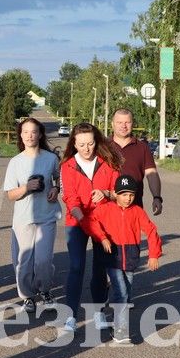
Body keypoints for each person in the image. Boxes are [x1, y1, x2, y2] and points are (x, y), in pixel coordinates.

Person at [59, 122, 124, 333]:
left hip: (103, 221)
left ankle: (98, 312)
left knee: (99, 267)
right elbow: (70, 198)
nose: (86, 149)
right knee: (77, 266)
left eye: (90, 143)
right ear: (74, 144)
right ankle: (70, 316)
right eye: (81, 144)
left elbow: (120, 194)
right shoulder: (67, 166)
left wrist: (106, 194)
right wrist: (82, 220)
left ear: (96, 142)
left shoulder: (108, 162)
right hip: (77, 222)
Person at [92, 174, 162, 343]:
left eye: (131, 195)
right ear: (115, 194)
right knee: (123, 294)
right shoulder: (105, 208)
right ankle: (120, 331)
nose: (128, 198)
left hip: (130, 258)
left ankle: (114, 304)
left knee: (126, 292)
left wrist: (153, 255)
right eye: (123, 194)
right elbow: (91, 221)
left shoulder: (137, 211)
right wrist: (102, 237)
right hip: (112, 259)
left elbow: (152, 231)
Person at [3, 117, 61, 314]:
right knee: (23, 263)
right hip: (23, 219)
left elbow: (58, 178)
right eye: (25, 132)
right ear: (21, 135)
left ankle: (45, 291)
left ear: (40, 134)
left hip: (47, 215)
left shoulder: (51, 159)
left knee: (43, 260)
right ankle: (28, 296)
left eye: (33, 132)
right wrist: (27, 187)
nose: (29, 135)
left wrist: (56, 189)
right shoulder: (15, 162)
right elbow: (10, 194)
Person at [110, 108, 163, 215]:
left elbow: (151, 174)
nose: (123, 126)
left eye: (127, 122)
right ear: (112, 124)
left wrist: (157, 197)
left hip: (134, 208)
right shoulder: (103, 146)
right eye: (119, 122)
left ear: (132, 124)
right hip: (106, 208)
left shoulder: (142, 148)